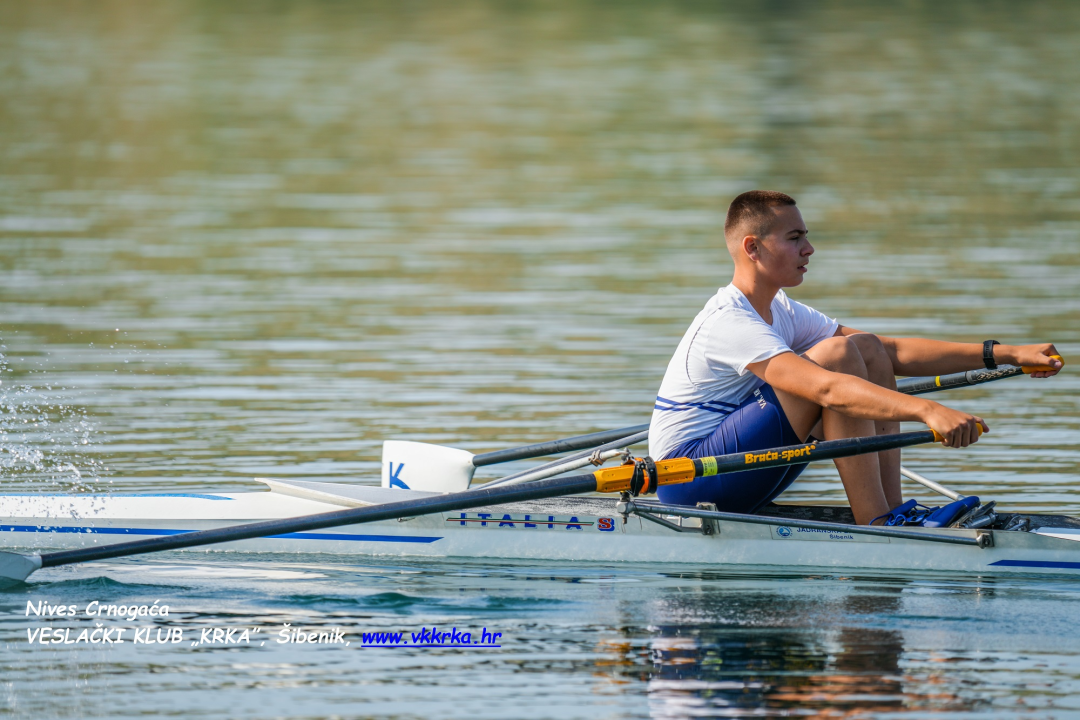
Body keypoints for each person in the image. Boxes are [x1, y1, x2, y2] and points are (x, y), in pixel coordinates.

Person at [649, 190, 1063, 525]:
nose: (809, 248)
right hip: (688, 479)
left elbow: (891, 351)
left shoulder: (783, 310)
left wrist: (1006, 353)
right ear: (753, 247)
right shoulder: (729, 321)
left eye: (805, 236)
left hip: (734, 465)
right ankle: (877, 523)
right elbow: (827, 386)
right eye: (794, 238)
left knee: (864, 346)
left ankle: (891, 512)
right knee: (836, 356)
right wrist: (928, 411)